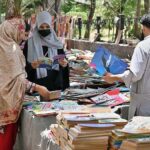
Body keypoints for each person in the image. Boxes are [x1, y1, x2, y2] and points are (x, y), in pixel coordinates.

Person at [0, 18, 50, 150]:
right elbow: (16, 79)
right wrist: (37, 87)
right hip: (7, 103)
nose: (23, 37)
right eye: (22, 33)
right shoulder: (12, 48)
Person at [103, 13, 150, 120]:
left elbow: (135, 75)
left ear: (144, 27)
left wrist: (113, 78)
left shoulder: (143, 46)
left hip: (144, 104)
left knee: (140, 133)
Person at [23, 11, 69, 91]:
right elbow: (23, 67)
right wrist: (31, 67)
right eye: (42, 27)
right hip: (36, 87)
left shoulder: (56, 43)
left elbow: (63, 63)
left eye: (47, 26)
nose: (44, 29)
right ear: (37, 27)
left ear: (50, 26)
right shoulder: (30, 43)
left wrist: (64, 64)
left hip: (54, 85)